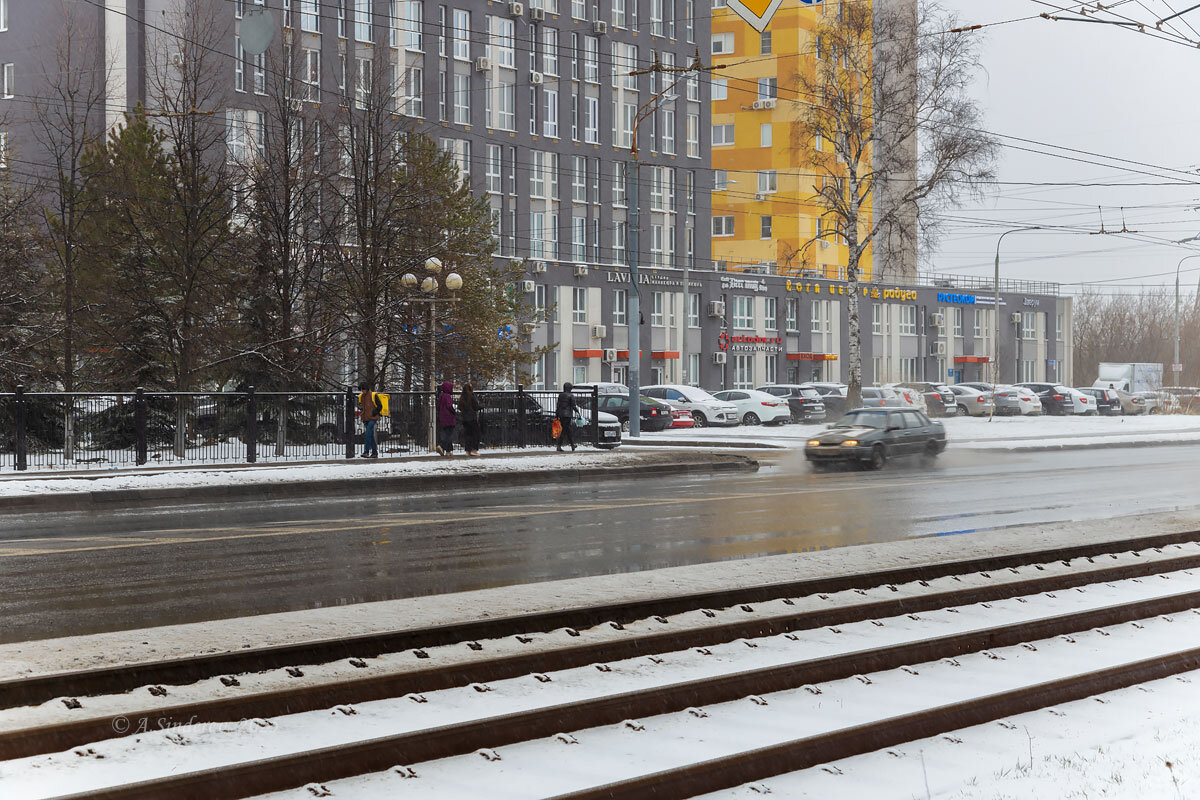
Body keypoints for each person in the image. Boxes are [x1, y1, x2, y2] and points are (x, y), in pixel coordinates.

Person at [358, 382, 380, 458]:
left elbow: (380, 406)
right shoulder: (361, 396)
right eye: (361, 390)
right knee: (370, 436)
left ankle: (366, 452)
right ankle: (374, 453)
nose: (362, 391)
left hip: (372, 418)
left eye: (363, 389)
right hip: (366, 418)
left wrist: (375, 413)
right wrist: (360, 407)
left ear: (366, 389)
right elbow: (361, 406)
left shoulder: (373, 395)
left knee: (367, 434)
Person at [459, 383, 482, 456]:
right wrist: (482, 406)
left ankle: (467, 450)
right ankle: (474, 450)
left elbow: (460, 407)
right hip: (472, 418)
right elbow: (476, 407)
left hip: (464, 419)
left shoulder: (462, 397)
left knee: (467, 434)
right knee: (475, 434)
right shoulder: (472, 396)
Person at [436, 380, 457, 456]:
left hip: (442, 417)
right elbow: (449, 406)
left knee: (447, 433)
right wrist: (453, 411)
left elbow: (438, 406)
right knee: (449, 434)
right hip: (449, 417)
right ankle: (442, 446)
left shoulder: (441, 396)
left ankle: (448, 451)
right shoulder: (447, 396)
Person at [555, 382, 578, 452]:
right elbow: (573, 406)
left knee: (567, 430)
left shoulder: (561, 395)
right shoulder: (571, 396)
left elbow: (558, 405)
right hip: (567, 415)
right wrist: (577, 412)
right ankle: (560, 446)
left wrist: (557, 414)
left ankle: (572, 445)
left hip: (561, 415)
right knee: (565, 430)